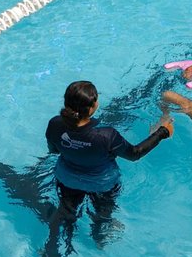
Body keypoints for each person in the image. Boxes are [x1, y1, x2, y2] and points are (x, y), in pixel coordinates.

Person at [44, 80, 171, 247]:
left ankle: (51, 247)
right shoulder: (106, 135)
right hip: (101, 183)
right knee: (103, 214)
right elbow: (134, 154)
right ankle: (99, 238)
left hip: (67, 178)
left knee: (65, 211)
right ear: (91, 108)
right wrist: (162, 132)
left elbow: (54, 150)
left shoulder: (55, 124)